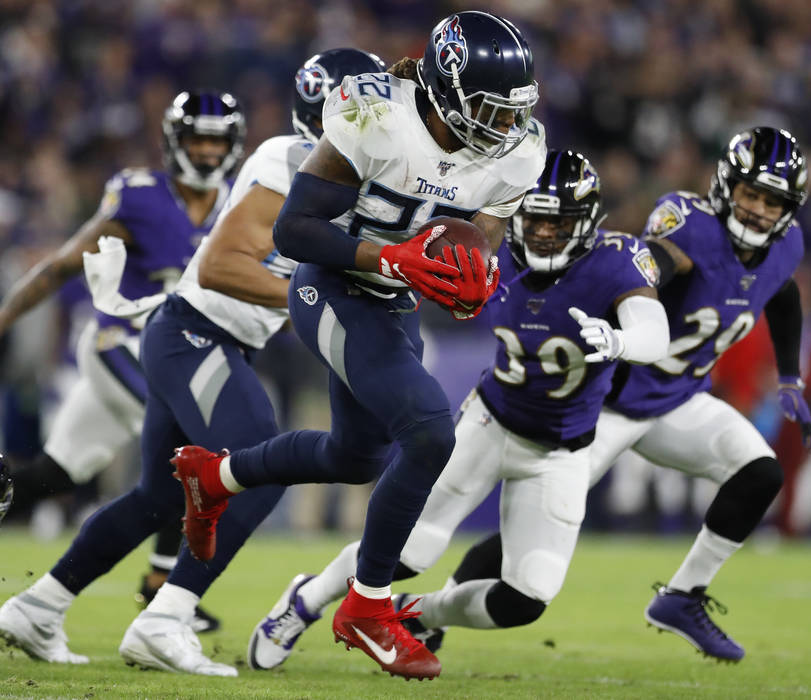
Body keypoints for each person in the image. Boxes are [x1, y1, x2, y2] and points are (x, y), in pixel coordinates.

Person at [168, 11, 546, 681]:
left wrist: (474, 264)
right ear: (449, 88)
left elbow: (484, 228)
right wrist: (394, 259)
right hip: (332, 286)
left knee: (354, 456)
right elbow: (294, 231)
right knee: (430, 431)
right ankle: (366, 608)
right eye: (492, 109)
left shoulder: (517, 150)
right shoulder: (377, 116)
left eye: (514, 112)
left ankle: (214, 476)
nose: (508, 127)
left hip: (392, 300)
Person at [0, 50, 384, 674]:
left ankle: (39, 607)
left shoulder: (347, 178)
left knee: (157, 498)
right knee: (258, 464)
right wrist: (314, 300)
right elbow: (223, 268)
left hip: (199, 336)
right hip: (195, 332)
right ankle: (167, 616)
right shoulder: (291, 161)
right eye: (372, 108)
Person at [245, 148, 670, 670]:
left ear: (587, 222)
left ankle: (418, 614)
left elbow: (656, 331)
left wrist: (621, 340)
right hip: (489, 423)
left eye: (557, 225)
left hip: (562, 451)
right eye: (532, 221)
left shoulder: (616, 260)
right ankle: (305, 600)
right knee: (411, 548)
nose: (540, 235)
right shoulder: (491, 248)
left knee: (527, 597)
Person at [406, 127, 811, 663]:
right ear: (725, 187)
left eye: (772, 201)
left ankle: (682, 597)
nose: (760, 210)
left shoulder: (787, 246)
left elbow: (781, 290)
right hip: (609, 403)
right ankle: (432, 613)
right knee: (528, 540)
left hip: (677, 399)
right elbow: (652, 267)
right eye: (751, 195)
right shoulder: (689, 227)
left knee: (760, 473)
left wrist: (790, 375)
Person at [0, 90, 244, 632]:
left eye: (216, 140)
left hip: (177, 353)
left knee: (47, 476)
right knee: (189, 449)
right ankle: (160, 587)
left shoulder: (240, 201)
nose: (206, 152)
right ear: (174, 142)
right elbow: (62, 266)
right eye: (197, 139)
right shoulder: (139, 196)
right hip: (122, 347)